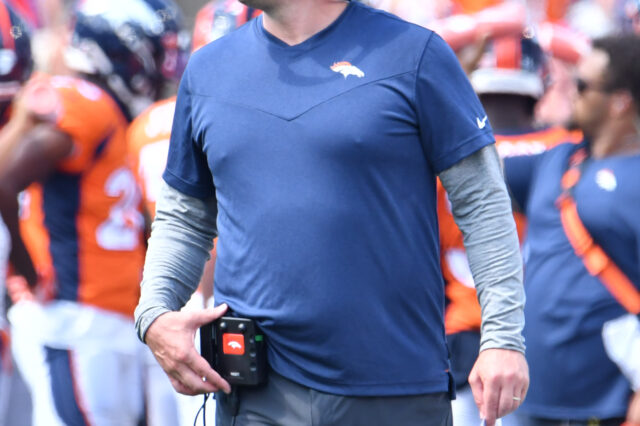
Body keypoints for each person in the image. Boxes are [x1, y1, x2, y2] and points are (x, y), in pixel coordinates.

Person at [135, 1, 529, 425]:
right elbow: (184, 216)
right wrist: (154, 313)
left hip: (392, 387)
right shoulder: (208, 68)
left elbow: (484, 203)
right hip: (254, 392)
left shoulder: (415, 54)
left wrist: (503, 337)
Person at [0, 0, 186, 424]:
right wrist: (30, 276)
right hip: (73, 320)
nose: (162, 68)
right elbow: (3, 181)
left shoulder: (113, 117)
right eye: (157, 53)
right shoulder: (83, 100)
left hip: (107, 325)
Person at [126, 2, 260, 423]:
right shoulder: (255, 115)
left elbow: (151, 221)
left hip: (163, 302)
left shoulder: (144, 123)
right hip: (212, 305)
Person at [439, 33, 582, 426]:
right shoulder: (569, 148)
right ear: (539, 86)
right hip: (542, 332)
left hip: (463, 327)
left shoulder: (445, 151)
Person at [503, 34, 640, 425]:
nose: (570, 92)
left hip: (606, 405)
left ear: (620, 101)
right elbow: (470, 155)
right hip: (527, 397)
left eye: (582, 85)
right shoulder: (557, 157)